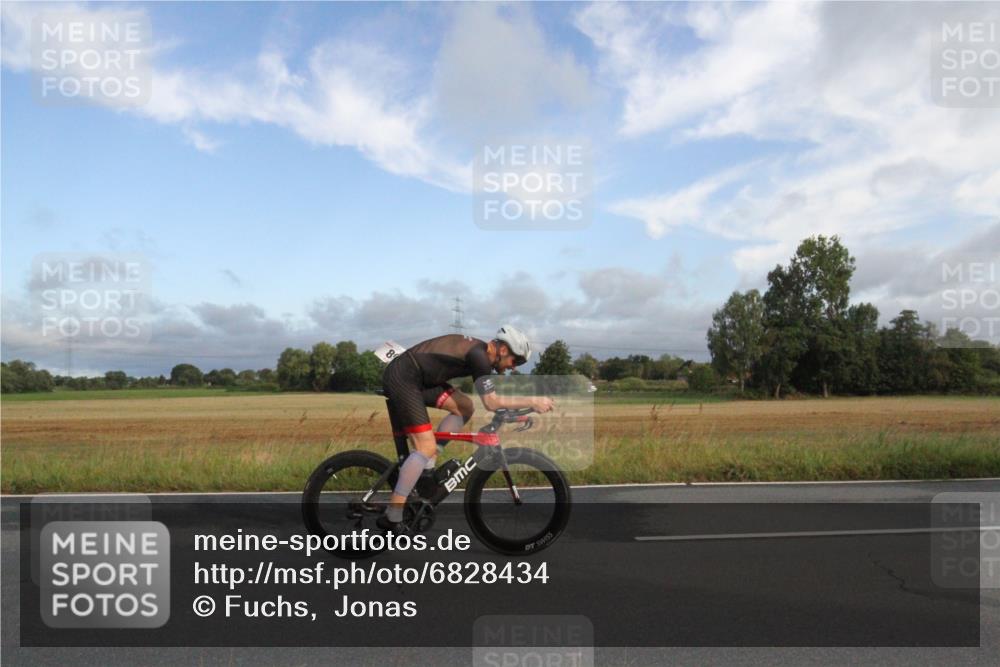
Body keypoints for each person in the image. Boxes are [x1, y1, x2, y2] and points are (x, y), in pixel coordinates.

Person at [376, 325, 555, 532]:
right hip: (404, 378)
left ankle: (429, 464)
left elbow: (491, 404)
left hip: (420, 379)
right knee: (424, 447)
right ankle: (393, 514)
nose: (513, 367)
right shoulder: (479, 356)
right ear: (504, 350)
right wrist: (532, 401)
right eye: (516, 361)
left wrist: (513, 413)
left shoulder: (480, 354)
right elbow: (491, 402)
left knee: (465, 407)